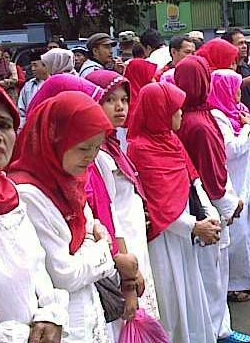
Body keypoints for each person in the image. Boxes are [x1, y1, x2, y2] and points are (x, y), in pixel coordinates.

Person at [10, 91, 117, 342]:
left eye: (96, 147)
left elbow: (89, 228)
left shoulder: (70, 181)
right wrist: (102, 246)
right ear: (53, 139)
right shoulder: (28, 194)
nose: (90, 157)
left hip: (87, 308)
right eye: (82, 148)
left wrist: (89, 244)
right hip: (63, 321)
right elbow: (64, 274)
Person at [0, 76, 68, 343]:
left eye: (4, 125)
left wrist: (50, 313)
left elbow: (36, 267)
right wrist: (10, 336)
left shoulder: (11, 196)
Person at [127, 82, 220, 343]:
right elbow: (158, 202)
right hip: (164, 237)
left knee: (190, 296)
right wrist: (194, 226)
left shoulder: (170, 139)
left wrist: (207, 216)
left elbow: (192, 178)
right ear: (159, 111)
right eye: (175, 109)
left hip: (186, 232)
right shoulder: (141, 148)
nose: (180, 114)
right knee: (172, 302)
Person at [174, 57, 250, 343]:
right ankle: (218, 332)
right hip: (208, 206)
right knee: (213, 274)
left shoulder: (189, 114)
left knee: (208, 273)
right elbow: (212, 172)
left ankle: (219, 328)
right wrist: (229, 205)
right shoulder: (199, 123)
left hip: (198, 203)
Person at [85, 70, 160, 322]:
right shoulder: (96, 153)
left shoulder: (113, 144)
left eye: (125, 100)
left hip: (133, 237)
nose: (120, 107)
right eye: (110, 100)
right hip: (122, 243)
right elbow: (107, 211)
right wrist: (126, 273)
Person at [207, 69, 250, 303]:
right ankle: (234, 284)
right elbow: (231, 149)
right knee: (236, 232)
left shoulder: (238, 111)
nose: (238, 92)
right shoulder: (217, 116)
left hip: (247, 179)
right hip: (232, 182)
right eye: (233, 87)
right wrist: (247, 127)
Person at [17, 51, 49, 128]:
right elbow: (21, 110)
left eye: (35, 65)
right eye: (31, 66)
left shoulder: (54, 83)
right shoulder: (28, 85)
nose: (32, 69)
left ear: (45, 66)